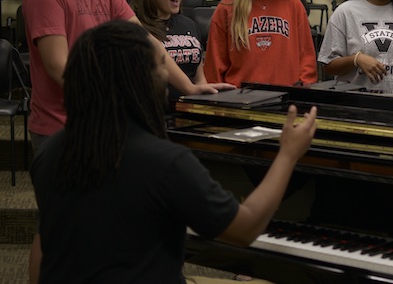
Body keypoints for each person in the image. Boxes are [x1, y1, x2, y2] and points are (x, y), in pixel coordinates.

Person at [23, 0, 233, 280]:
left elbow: (148, 42)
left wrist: (187, 87)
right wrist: (118, 102)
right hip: (59, 125)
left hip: (102, 123)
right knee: (52, 227)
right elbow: (58, 67)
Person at [30, 21, 317, 284]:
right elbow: (245, 229)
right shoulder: (165, 162)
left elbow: (44, 243)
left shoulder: (51, 150)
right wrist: (288, 154)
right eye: (158, 66)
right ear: (137, 80)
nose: (166, 74)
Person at [131, 0, 206, 104]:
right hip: (152, 114)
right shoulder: (136, 26)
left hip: (188, 113)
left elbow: (199, 78)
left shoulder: (189, 25)